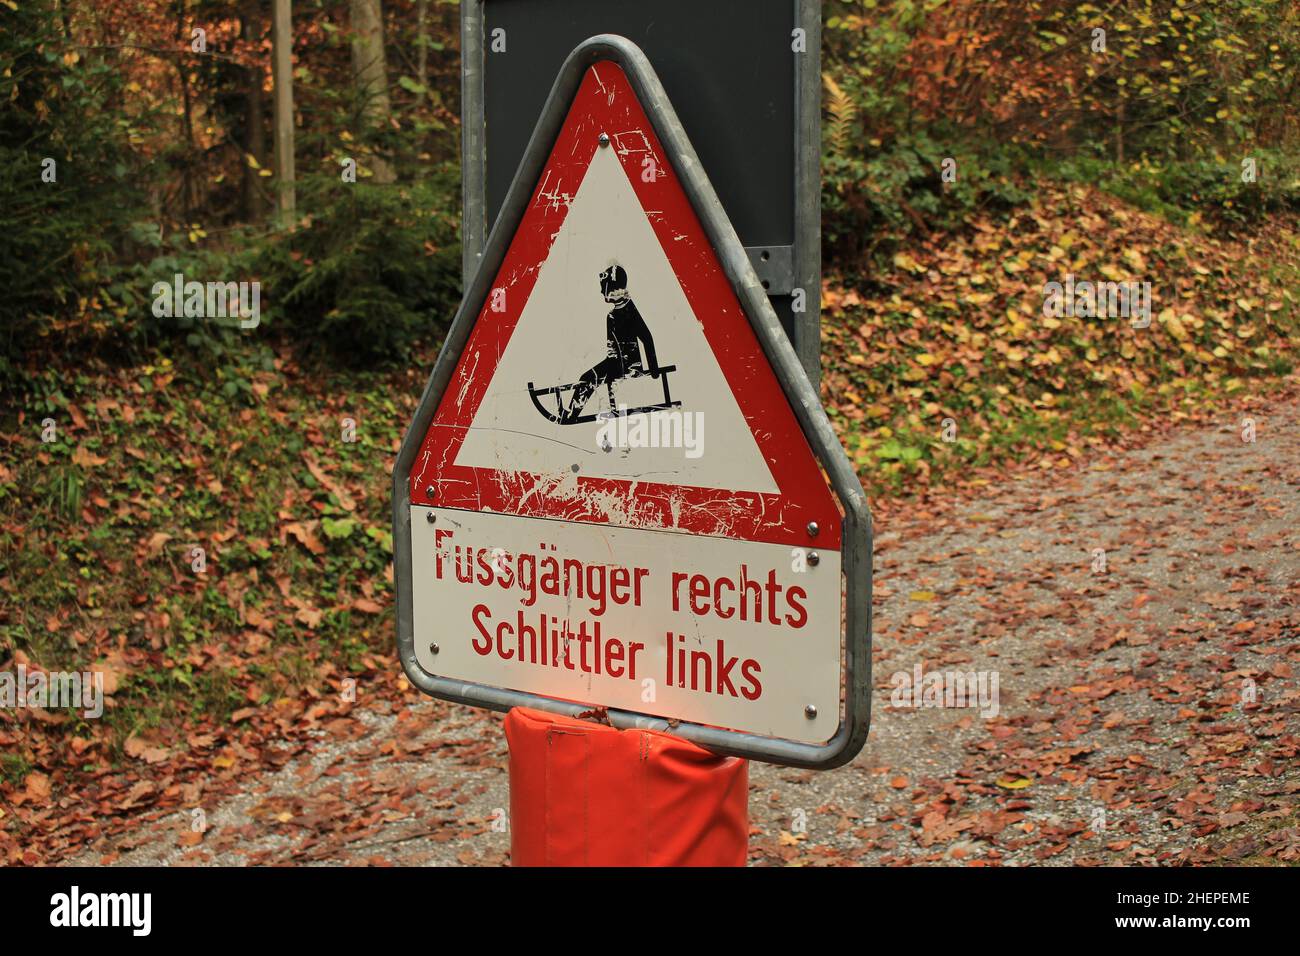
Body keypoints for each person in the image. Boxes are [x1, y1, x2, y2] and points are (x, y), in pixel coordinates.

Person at [562, 265, 660, 422]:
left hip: (626, 366)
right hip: (615, 363)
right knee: (587, 378)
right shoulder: (613, 314)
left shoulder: (629, 310)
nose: (602, 292)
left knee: (587, 378)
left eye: (603, 288)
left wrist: (654, 370)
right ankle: (571, 413)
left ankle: (571, 414)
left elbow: (646, 337)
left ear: (611, 288)